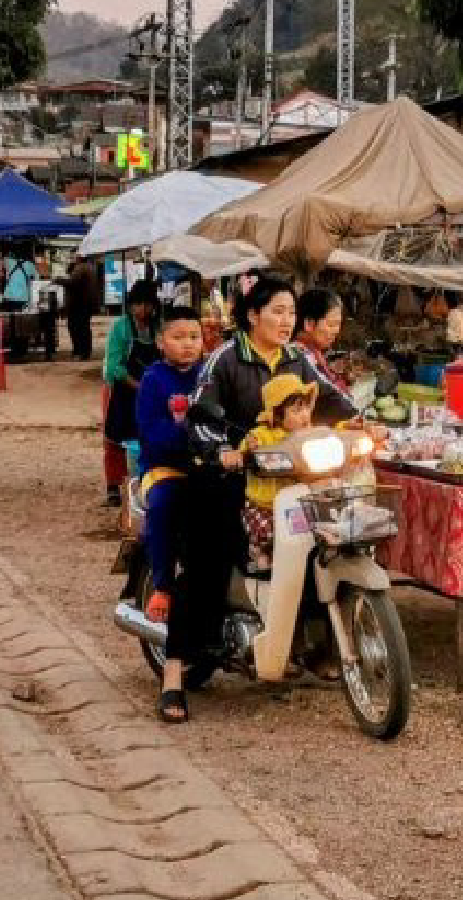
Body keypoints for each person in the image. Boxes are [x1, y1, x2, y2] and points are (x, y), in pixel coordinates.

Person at [157, 279, 350, 723]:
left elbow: (331, 397)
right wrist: (218, 451)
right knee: (208, 558)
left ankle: (309, 641)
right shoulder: (226, 358)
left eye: (291, 312)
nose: (286, 321)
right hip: (231, 476)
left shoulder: (298, 359)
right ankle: (173, 671)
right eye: (277, 311)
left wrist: (362, 421)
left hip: (290, 475)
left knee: (330, 536)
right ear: (252, 315)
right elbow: (200, 415)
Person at [131, 306, 207, 626]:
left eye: (194, 337)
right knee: (163, 505)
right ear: (161, 342)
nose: (188, 344)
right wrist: (189, 434)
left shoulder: (210, 372)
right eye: (178, 337)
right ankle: (162, 586)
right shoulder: (153, 379)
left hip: (207, 465)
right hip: (164, 469)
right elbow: (150, 430)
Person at [239, 377, 318, 569]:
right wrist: (250, 449)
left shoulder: (309, 434)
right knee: (271, 533)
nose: (304, 415)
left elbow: (329, 433)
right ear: (276, 413)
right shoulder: (263, 435)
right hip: (266, 505)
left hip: (298, 502)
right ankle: (259, 549)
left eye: (306, 408)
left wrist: (348, 429)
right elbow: (246, 449)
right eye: (296, 410)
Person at [101, 281, 162, 507]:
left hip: (149, 391)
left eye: (147, 305)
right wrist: (137, 385)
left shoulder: (158, 327)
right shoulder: (121, 327)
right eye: (138, 304)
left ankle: (144, 479)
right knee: (114, 438)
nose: (142, 310)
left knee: (146, 436)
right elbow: (113, 366)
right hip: (120, 389)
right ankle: (113, 485)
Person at [294, 287, 349, 389]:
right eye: (331, 324)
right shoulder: (298, 358)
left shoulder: (313, 351)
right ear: (309, 324)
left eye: (338, 325)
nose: (336, 331)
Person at [66, 255, 102, 361]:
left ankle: (79, 352)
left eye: (74, 256)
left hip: (79, 303)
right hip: (87, 303)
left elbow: (72, 282)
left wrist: (59, 280)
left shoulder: (80, 268)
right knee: (84, 327)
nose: (72, 258)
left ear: (80, 258)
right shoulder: (90, 267)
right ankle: (85, 352)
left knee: (76, 327)